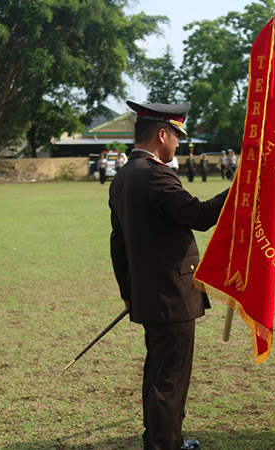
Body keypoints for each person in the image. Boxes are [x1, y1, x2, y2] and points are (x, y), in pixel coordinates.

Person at [109, 100, 229, 450]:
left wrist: (128, 292)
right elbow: (199, 215)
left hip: (149, 295)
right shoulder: (155, 173)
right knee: (170, 379)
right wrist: (242, 187)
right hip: (170, 296)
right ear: (162, 134)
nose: (177, 143)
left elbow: (118, 243)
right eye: (176, 136)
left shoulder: (123, 177)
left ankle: (163, 440)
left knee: (158, 374)